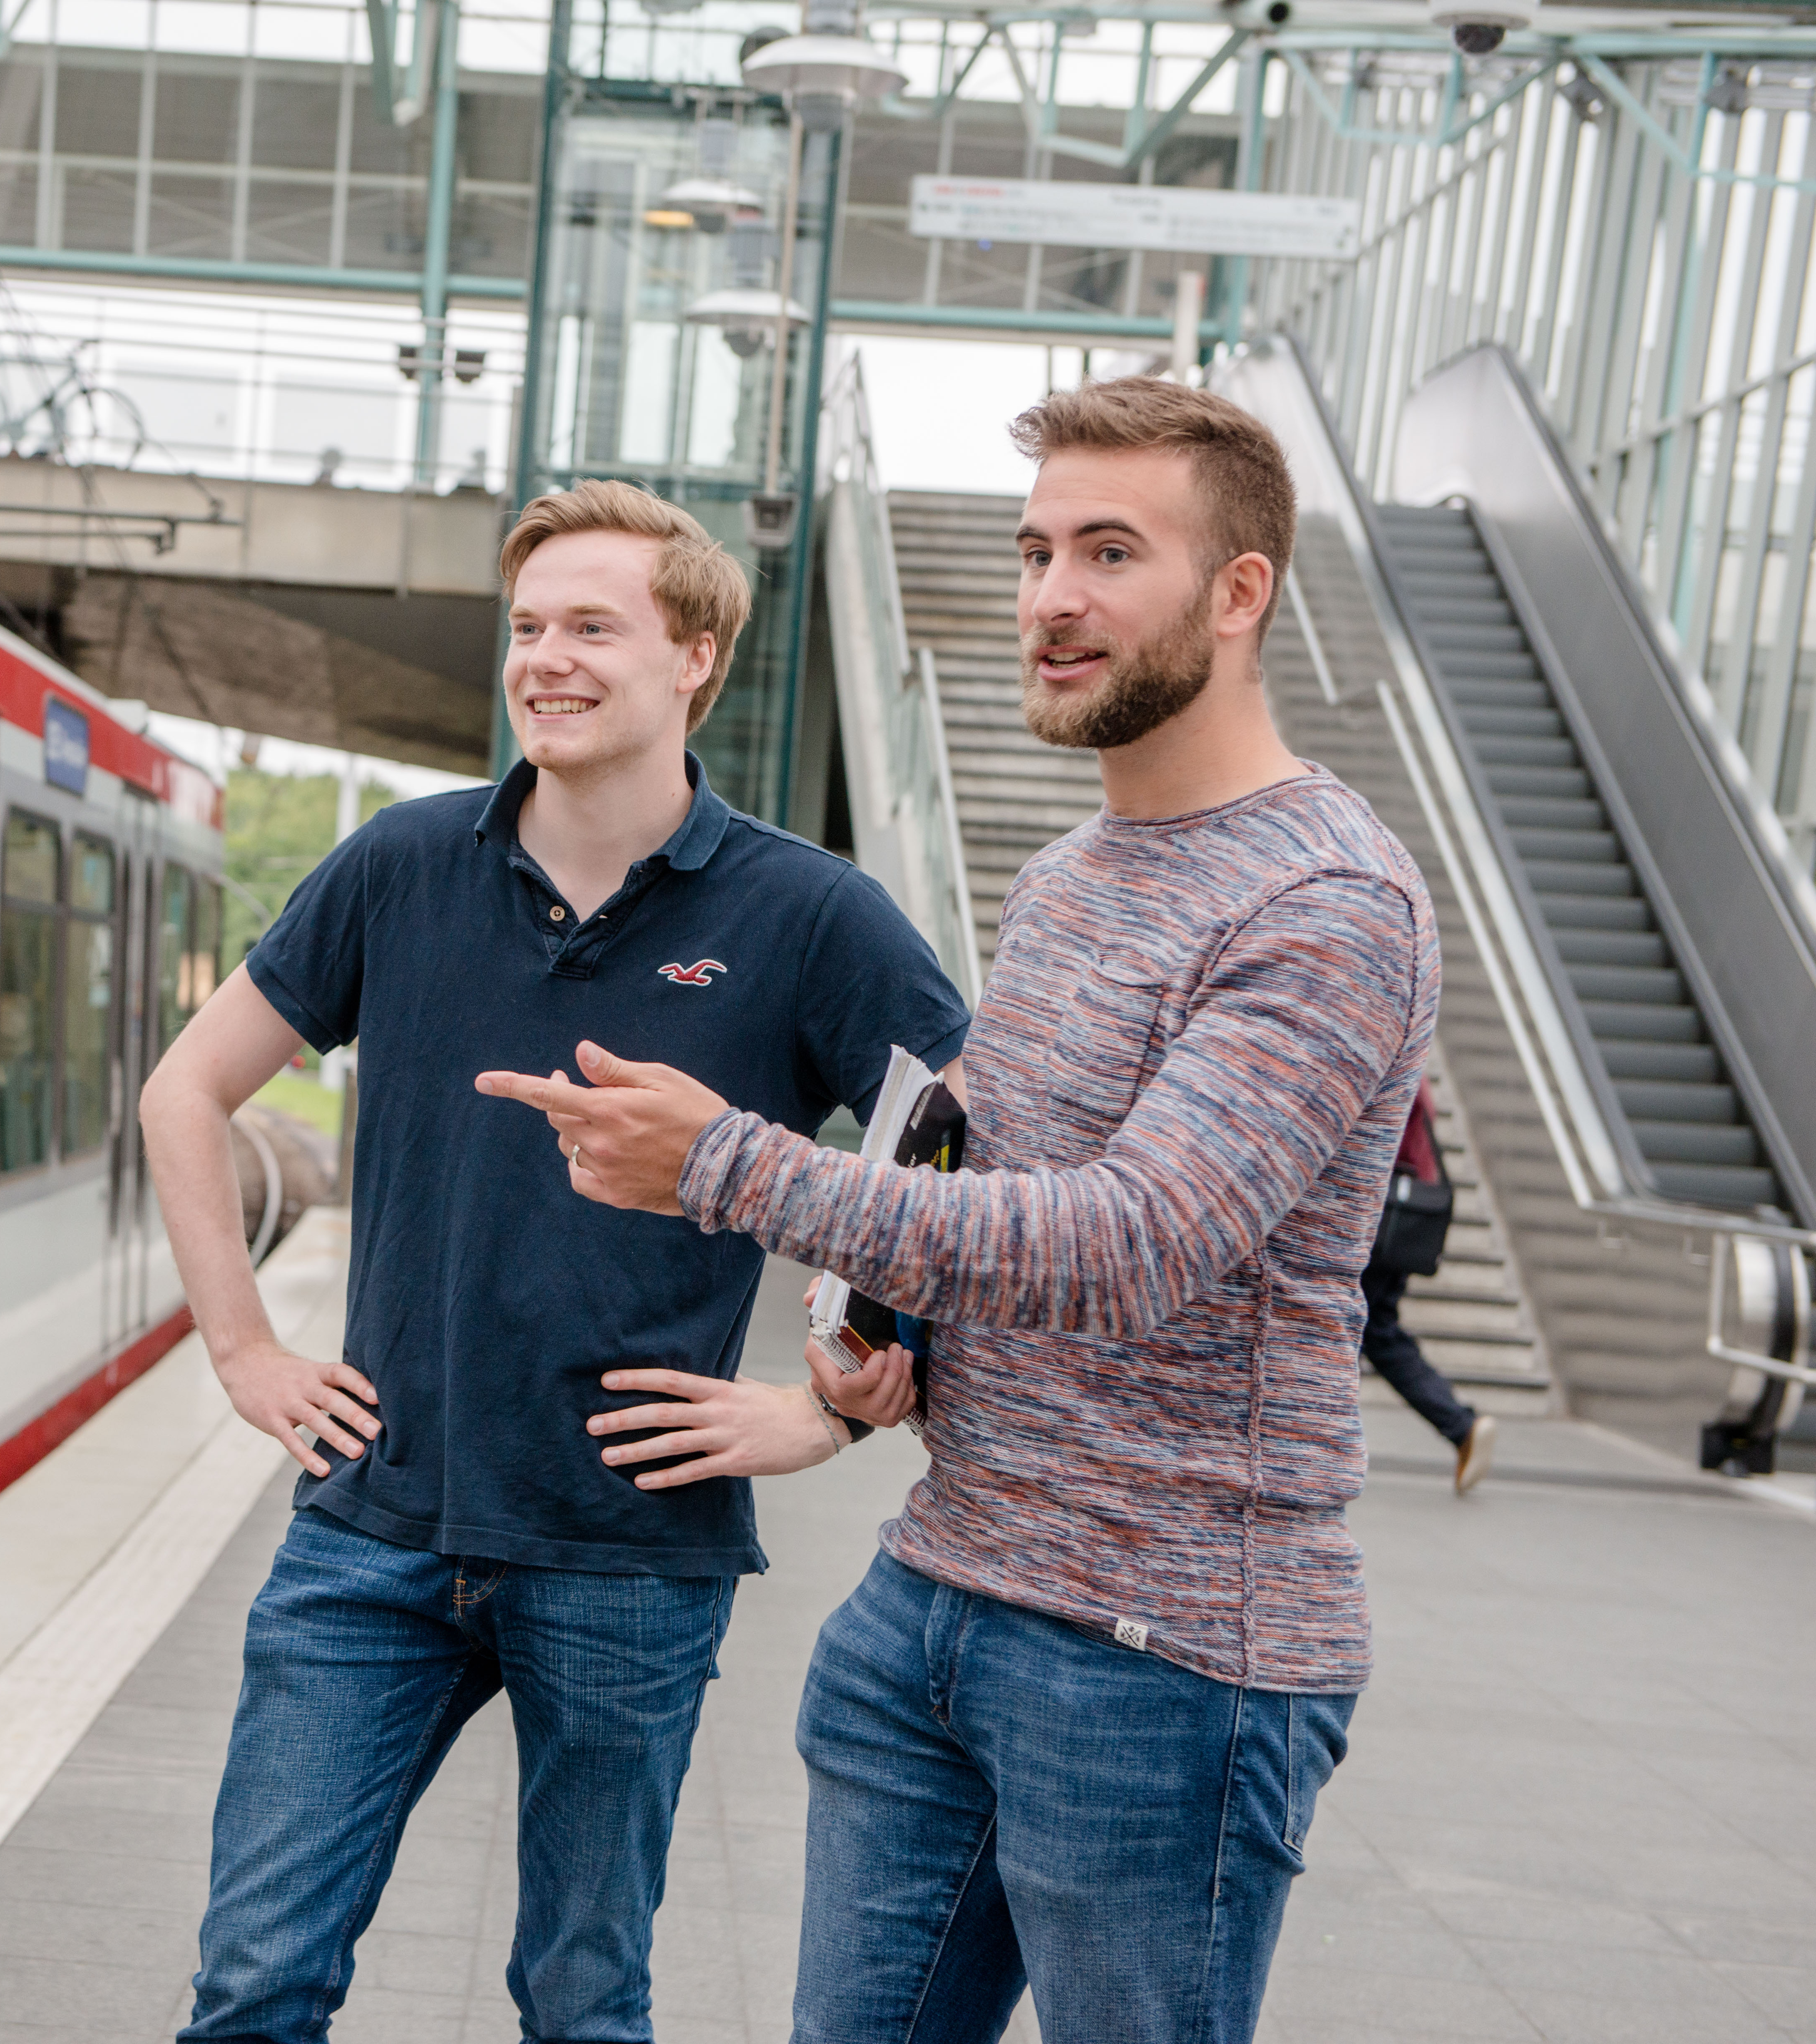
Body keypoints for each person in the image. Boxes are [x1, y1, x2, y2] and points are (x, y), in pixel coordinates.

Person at [482, 380, 1438, 2044]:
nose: (1052, 597)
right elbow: (981, 1182)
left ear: (1238, 593)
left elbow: (1133, 1243)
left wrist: (727, 1163)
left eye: (1111, 552)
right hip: (936, 1602)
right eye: (1036, 550)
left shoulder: (1326, 899)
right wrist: (884, 1342)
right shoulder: (1073, 873)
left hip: (1163, 1661)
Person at [139, 479, 971, 2044]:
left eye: (595, 624)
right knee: (254, 1986)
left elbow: (961, 1138)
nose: (548, 658)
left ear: (696, 653)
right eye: (527, 628)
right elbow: (185, 1090)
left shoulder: (807, 913)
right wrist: (245, 1351)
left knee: (582, 1997)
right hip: (370, 1532)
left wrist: (835, 1408)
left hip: (628, 1549)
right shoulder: (399, 867)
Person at [1364, 1079, 1495, 1491]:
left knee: (1367, 1330)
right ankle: (1459, 1425)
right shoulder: (1415, 1071)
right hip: (1398, 1220)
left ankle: (1459, 1424)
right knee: (1375, 1330)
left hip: (1379, 1219)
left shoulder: (1395, 1067)